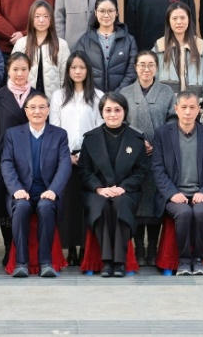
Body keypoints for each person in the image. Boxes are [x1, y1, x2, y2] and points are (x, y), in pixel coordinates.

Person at [78, 93, 152, 277]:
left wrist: (123, 187)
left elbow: (141, 171)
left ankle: (119, 262)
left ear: (124, 111)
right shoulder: (91, 138)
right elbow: (84, 170)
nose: (113, 114)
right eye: (108, 110)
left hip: (126, 191)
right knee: (103, 206)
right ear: (101, 113)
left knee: (119, 205)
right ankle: (107, 262)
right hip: (97, 191)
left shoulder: (136, 138)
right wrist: (99, 188)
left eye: (117, 110)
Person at [151, 91, 203, 276]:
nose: (188, 112)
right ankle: (183, 261)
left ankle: (198, 260)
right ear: (176, 109)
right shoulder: (162, 134)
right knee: (183, 213)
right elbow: (158, 168)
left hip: (201, 193)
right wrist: (172, 193)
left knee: (200, 213)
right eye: (183, 107)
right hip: (175, 194)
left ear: (199, 110)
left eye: (192, 107)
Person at [0, 91, 72, 278]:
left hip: (47, 192)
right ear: (26, 111)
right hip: (21, 192)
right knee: (21, 207)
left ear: (48, 110)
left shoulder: (59, 134)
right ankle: (21, 263)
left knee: (46, 207)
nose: (37, 111)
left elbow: (65, 165)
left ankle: (46, 263)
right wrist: (16, 189)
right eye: (32, 107)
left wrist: (54, 190)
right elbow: (6, 163)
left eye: (42, 107)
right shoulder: (13, 134)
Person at [50, 51, 105, 264]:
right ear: (68, 70)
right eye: (73, 67)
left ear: (88, 70)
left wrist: (85, 154)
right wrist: (66, 155)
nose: (78, 71)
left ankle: (85, 248)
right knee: (69, 205)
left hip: (90, 158)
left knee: (86, 204)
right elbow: (54, 127)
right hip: (64, 157)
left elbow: (100, 128)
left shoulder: (98, 96)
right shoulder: (58, 96)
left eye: (82, 67)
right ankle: (71, 248)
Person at [120, 50, 172, 267]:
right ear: (135, 67)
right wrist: (138, 142)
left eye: (151, 65)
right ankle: (139, 247)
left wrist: (157, 144)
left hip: (159, 155)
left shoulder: (167, 92)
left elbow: (172, 122)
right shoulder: (125, 92)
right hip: (133, 156)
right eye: (142, 65)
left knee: (155, 201)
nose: (146, 69)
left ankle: (153, 247)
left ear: (157, 67)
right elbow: (120, 122)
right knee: (138, 200)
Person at [0, 53, 35, 263]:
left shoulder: (37, 96)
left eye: (24, 69)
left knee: (28, 201)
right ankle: (9, 247)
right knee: (4, 204)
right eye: (15, 69)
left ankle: (28, 248)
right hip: (5, 158)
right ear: (8, 70)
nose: (19, 74)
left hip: (32, 157)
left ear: (29, 70)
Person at [153, 2, 203, 106]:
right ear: (168, 21)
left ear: (189, 20)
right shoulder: (160, 46)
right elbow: (153, 77)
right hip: (166, 105)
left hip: (194, 105)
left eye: (182, 18)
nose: (179, 22)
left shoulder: (199, 45)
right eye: (174, 18)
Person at [76, 0, 138, 93]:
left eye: (110, 11)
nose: (106, 15)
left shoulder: (129, 41)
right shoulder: (84, 41)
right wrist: (96, 95)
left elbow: (132, 72)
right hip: (92, 97)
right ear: (95, 13)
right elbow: (79, 70)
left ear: (116, 13)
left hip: (121, 97)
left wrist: (117, 95)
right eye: (102, 11)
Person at [12, 0, 70, 100]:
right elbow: (13, 75)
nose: (41, 20)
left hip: (52, 102)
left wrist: (61, 101)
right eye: (37, 16)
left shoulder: (61, 45)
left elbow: (65, 76)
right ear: (31, 18)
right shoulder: (21, 44)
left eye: (46, 16)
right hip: (26, 102)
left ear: (51, 18)